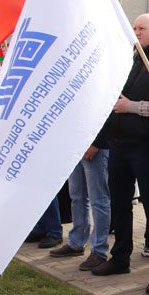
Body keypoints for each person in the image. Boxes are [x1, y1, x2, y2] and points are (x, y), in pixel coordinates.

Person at [91, 13, 149, 295]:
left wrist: (131, 107)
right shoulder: (131, 59)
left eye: (142, 28)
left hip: (146, 145)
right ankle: (120, 258)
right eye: (134, 27)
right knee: (119, 203)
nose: (136, 31)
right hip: (119, 143)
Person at [48, 112, 112, 272]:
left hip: (96, 148)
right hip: (75, 145)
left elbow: (107, 111)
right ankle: (76, 243)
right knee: (77, 196)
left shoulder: (102, 85)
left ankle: (99, 251)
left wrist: (96, 143)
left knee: (99, 200)